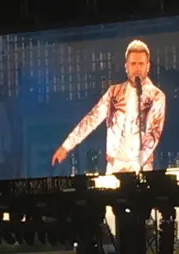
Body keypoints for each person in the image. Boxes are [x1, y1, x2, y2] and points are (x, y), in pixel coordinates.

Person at [51, 40, 166, 174]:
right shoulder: (113, 93)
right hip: (115, 164)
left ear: (148, 67)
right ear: (126, 67)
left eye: (141, 64)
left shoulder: (156, 96)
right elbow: (92, 119)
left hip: (141, 166)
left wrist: (134, 167)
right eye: (133, 64)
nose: (137, 68)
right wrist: (66, 146)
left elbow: (153, 134)